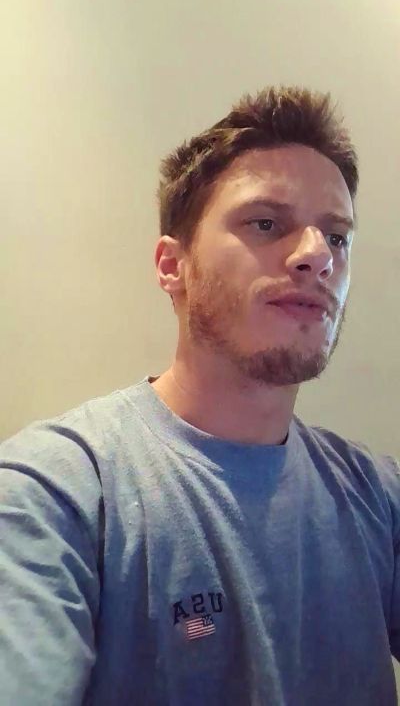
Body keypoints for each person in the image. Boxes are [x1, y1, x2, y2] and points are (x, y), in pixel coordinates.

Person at [0, 85, 399, 706]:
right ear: (172, 265)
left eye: (338, 236)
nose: (316, 256)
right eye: (266, 223)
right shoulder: (57, 494)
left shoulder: (376, 495)